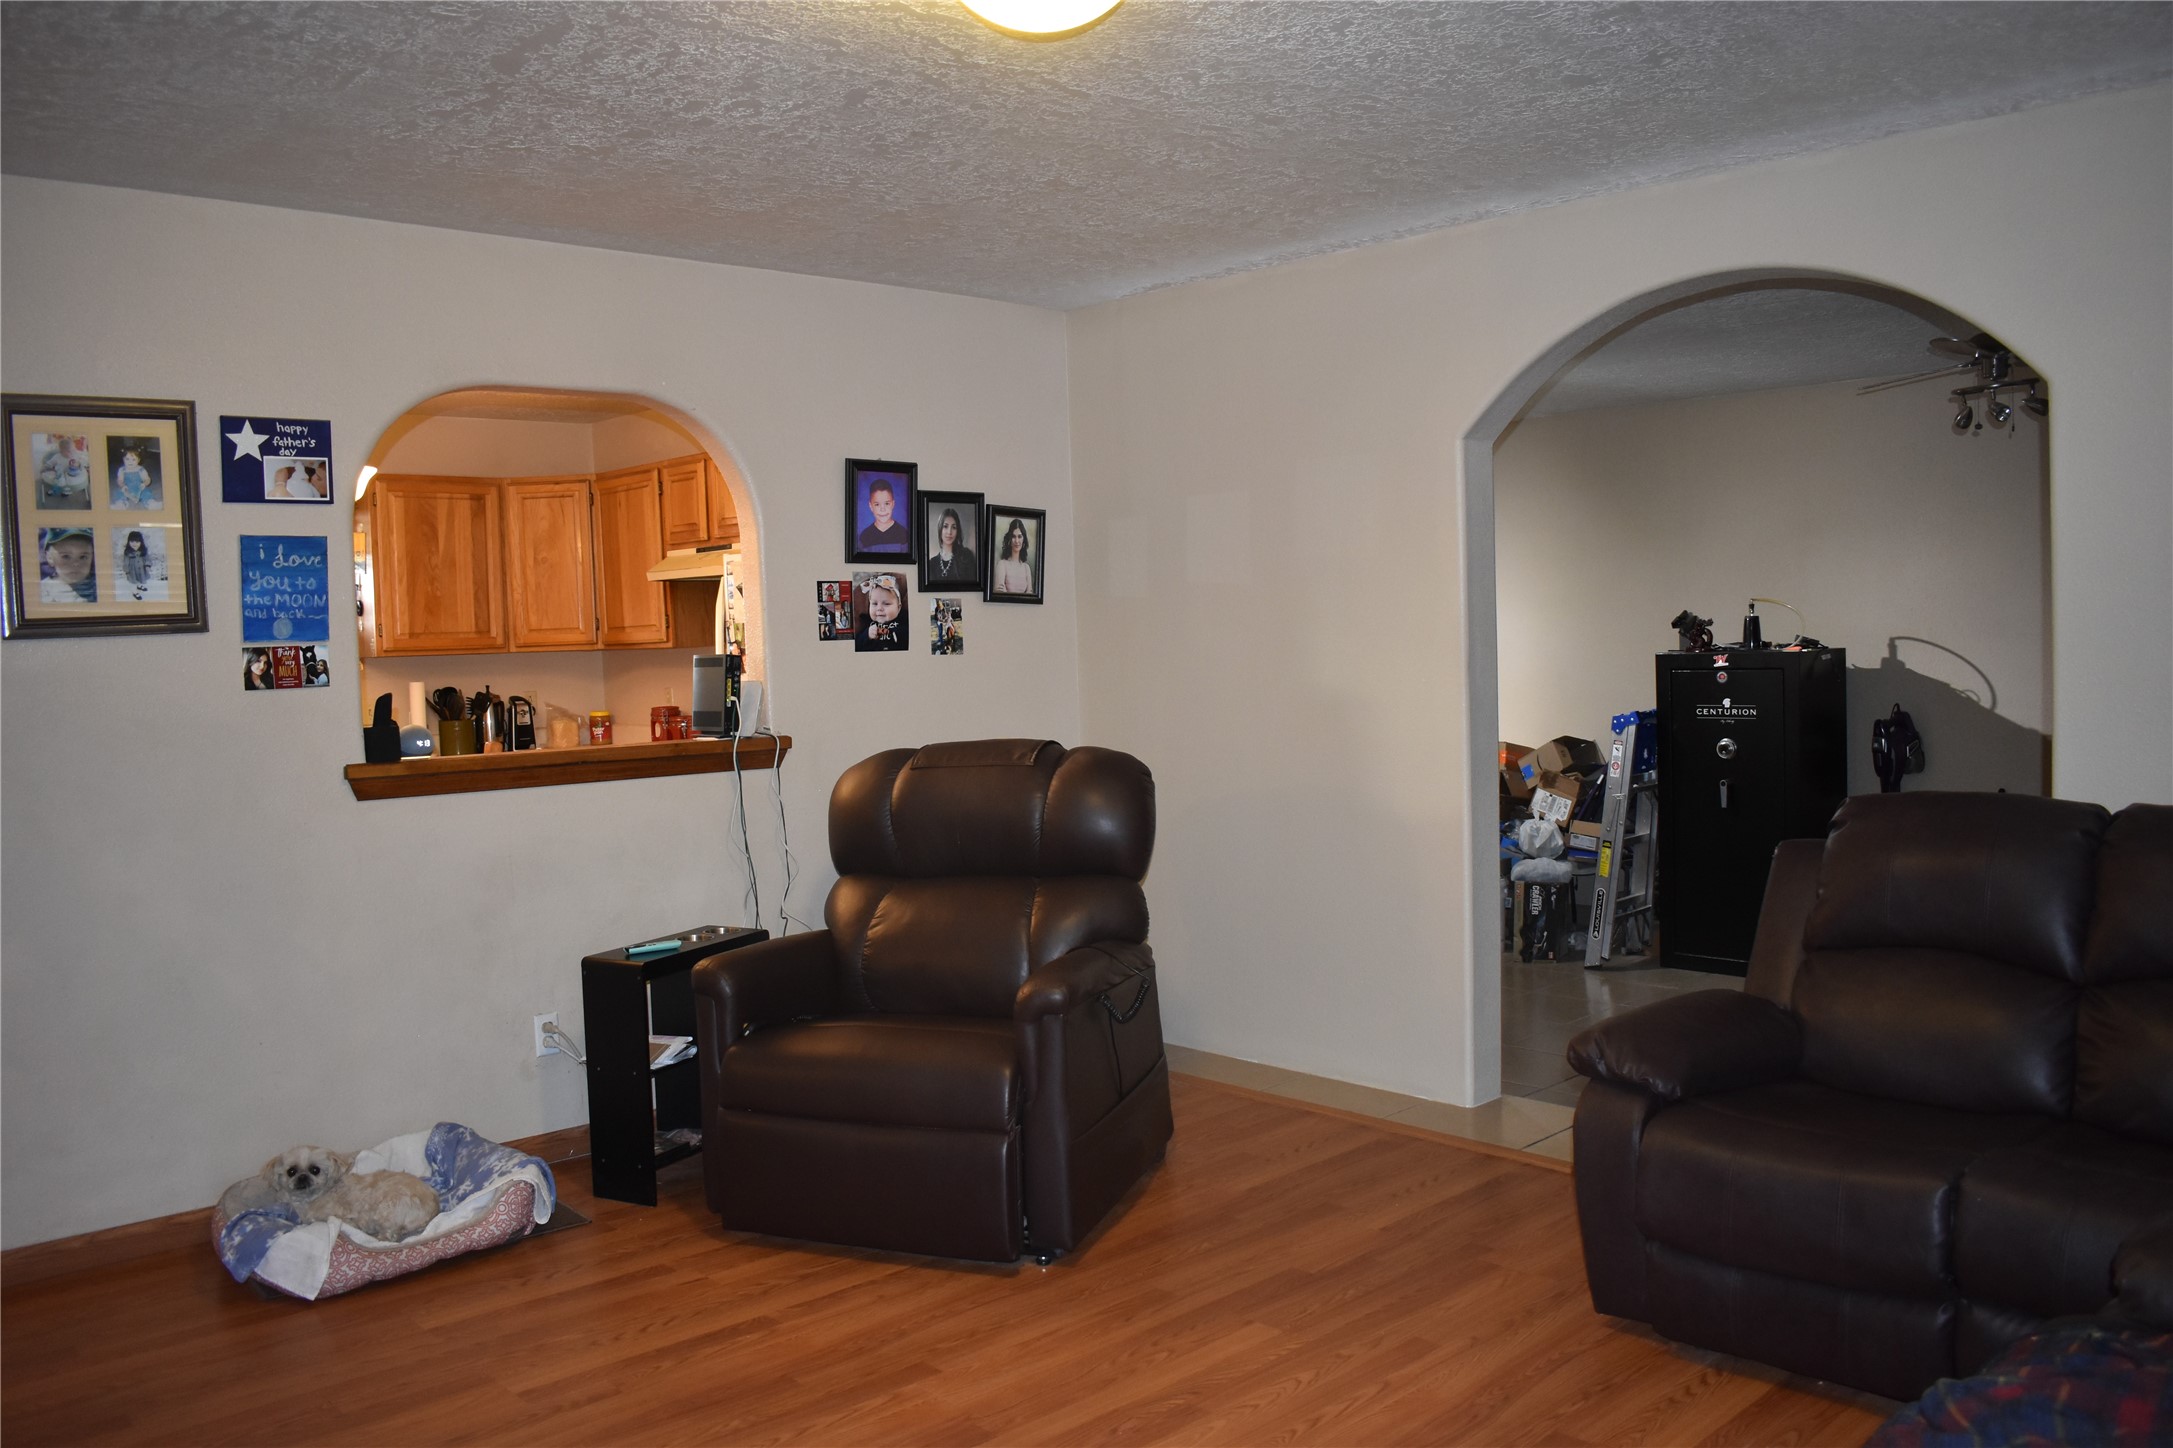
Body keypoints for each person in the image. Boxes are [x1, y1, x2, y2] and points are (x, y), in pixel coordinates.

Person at [39, 528, 97, 603]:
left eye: (83, 557)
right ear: (49, 558)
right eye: (66, 556)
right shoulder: (42, 592)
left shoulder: (98, 588)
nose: (76, 563)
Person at [856, 573, 908, 651]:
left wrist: (898, 634)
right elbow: (856, 645)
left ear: (899, 607)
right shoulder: (867, 623)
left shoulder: (904, 621)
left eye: (886, 604)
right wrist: (867, 635)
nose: (879, 608)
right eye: (874, 604)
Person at [924, 507, 977, 583]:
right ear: (940, 529)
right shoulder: (932, 564)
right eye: (945, 526)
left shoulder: (966, 556)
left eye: (954, 527)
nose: (949, 532)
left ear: (957, 531)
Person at [856, 478, 908, 552]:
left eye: (887, 503)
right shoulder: (864, 537)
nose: (882, 509)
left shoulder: (903, 535)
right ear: (870, 506)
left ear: (893, 504)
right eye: (877, 504)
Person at [991, 517, 1033, 595]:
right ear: (1009, 539)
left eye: (1019, 536)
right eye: (1013, 536)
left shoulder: (1026, 568)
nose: (1016, 541)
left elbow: (1030, 595)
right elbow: (999, 594)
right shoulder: (1002, 564)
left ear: (1024, 539)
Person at [119, 529, 152, 597]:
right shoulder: (127, 552)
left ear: (141, 542)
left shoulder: (143, 551)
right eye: (132, 541)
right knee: (133, 582)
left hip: (142, 570)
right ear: (128, 542)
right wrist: (127, 571)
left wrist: (147, 565)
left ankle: (139, 586)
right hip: (132, 571)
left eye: (137, 542)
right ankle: (135, 593)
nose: (134, 544)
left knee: (141, 579)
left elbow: (147, 558)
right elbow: (126, 562)